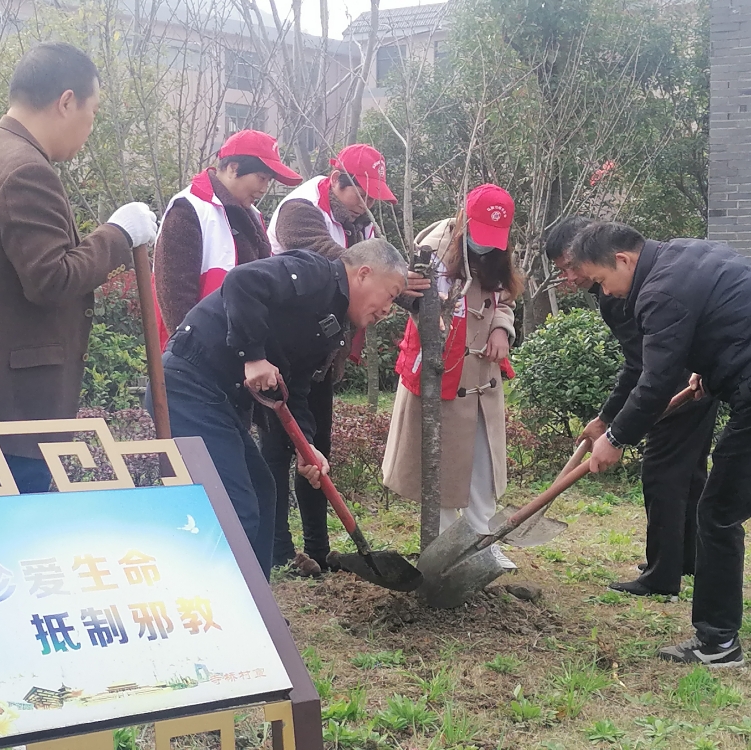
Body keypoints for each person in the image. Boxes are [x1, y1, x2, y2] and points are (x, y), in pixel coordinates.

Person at [0, 42, 158, 494]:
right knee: (13, 542)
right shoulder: (25, 170)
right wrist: (118, 234)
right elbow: (52, 279)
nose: (89, 127)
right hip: (10, 409)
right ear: (66, 102)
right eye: (92, 112)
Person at [571, 221, 751, 667]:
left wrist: (615, 439)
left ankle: (717, 643)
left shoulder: (658, 292)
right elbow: (731, 320)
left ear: (623, 260)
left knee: (717, 514)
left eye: (601, 281)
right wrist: (711, 371)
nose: (607, 293)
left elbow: (654, 383)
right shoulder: (687, 253)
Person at [153, 239, 409, 581]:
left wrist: (305, 447)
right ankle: (221, 611)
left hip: (220, 399)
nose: (387, 310)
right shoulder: (314, 273)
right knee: (235, 506)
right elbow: (241, 282)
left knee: (261, 493)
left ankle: (256, 611)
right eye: (391, 295)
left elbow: (297, 389)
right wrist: (254, 355)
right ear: (363, 273)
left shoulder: (331, 324)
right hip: (188, 383)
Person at [544, 217, 718, 598]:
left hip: (678, 387)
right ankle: (686, 558)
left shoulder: (622, 292)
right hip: (698, 378)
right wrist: (605, 417)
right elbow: (635, 359)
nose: (569, 278)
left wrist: (617, 431)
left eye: (569, 267)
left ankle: (662, 576)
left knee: (663, 474)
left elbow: (645, 366)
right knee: (688, 474)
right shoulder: (617, 287)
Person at [263, 143, 404, 575]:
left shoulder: (361, 220)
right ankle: (279, 550)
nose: (365, 204)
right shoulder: (299, 209)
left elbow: (375, 266)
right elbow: (335, 262)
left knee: (316, 450)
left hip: (322, 349)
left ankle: (319, 548)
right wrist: (384, 273)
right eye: (360, 193)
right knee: (276, 452)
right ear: (339, 180)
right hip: (278, 349)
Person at [382, 184, 522, 570]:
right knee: (441, 459)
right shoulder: (433, 247)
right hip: (441, 364)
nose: (487, 246)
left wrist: (500, 329)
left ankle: (483, 541)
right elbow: (403, 292)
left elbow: (505, 297)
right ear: (464, 220)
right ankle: (445, 545)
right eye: (480, 235)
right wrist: (430, 316)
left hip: (481, 372)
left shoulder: (500, 251)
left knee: (482, 460)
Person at [152, 130, 302, 348]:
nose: (263, 189)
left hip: (234, 350)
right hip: (195, 354)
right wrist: (190, 348)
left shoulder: (251, 214)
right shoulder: (189, 208)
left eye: (268, 181)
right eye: (261, 178)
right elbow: (174, 292)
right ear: (233, 168)